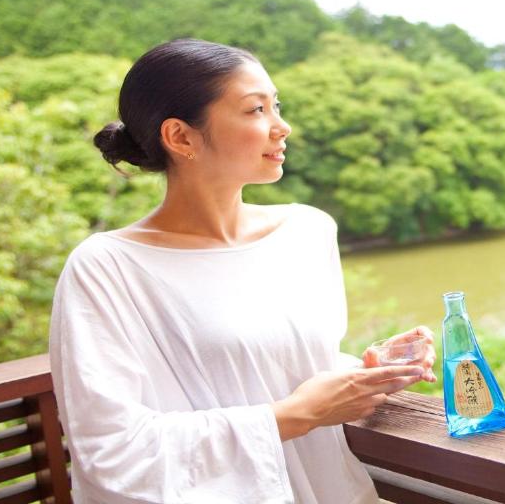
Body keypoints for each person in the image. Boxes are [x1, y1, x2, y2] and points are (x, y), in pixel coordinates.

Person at [49, 38, 437, 504]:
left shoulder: (307, 232)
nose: (282, 127)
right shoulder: (108, 268)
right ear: (181, 137)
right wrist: (293, 416)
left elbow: (259, 367)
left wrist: (360, 369)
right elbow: (111, 451)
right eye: (256, 110)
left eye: (277, 106)